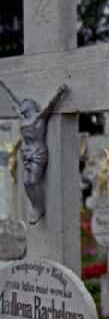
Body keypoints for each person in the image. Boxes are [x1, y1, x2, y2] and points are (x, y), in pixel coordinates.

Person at [0, 82, 68, 224]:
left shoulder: (38, 117)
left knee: (34, 179)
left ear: (29, 106)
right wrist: (4, 87)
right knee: (26, 182)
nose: (21, 106)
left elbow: (50, 105)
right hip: (27, 151)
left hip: (38, 151)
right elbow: (14, 101)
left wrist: (59, 92)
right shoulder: (23, 119)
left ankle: (39, 207)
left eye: (24, 104)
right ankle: (36, 206)